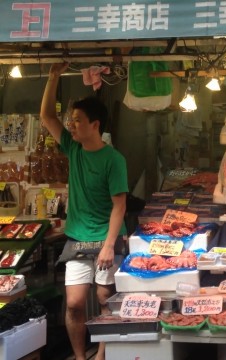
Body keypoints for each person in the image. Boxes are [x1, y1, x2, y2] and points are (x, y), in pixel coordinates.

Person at [40, 62, 128, 360]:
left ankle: (101, 354)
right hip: (77, 238)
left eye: (77, 120)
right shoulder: (72, 148)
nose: (71, 124)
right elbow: (46, 116)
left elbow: (120, 205)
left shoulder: (113, 160)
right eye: (71, 119)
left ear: (95, 125)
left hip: (107, 238)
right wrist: (53, 77)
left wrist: (108, 245)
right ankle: (80, 357)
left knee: (106, 298)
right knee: (75, 303)